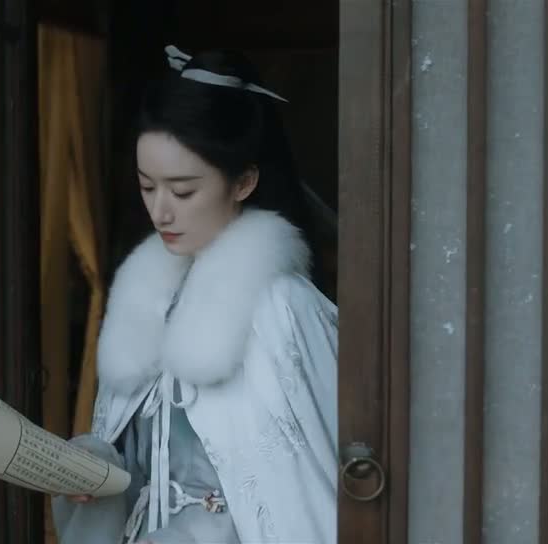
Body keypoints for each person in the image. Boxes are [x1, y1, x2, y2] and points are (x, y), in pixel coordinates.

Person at [52, 45, 337, 544]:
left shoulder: (283, 308)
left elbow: (307, 490)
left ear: (243, 181)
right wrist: (93, 466)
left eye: (182, 191)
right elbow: (137, 468)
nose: (160, 212)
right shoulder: (146, 298)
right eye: (147, 187)